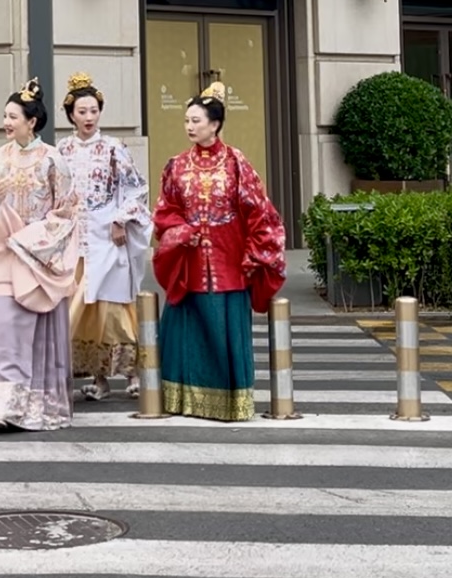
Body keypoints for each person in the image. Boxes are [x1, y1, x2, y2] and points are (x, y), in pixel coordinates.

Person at [152, 82, 286, 423]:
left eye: (196, 120)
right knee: (187, 332)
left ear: (215, 124)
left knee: (224, 331)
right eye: (187, 120)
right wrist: (181, 232)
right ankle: (182, 399)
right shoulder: (177, 165)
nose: (189, 126)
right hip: (189, 262)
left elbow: (260, 211)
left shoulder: (236, 163)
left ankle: (230, 404)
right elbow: (166, 210)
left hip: (229, 262)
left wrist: (255, 254)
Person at [0, 77, 79, 432]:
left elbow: (67, 212)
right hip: (4, 256)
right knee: (2, 330)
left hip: (37, 257)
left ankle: (34, 407)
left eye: (13, 117)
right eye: (5, 116)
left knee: (36, 335)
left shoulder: (53, 160)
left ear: (32, 121)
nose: (6, 123)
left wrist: (33, 240)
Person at [57, 71, 151, 400]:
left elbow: (136, 189)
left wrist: (121, 220)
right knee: (82, 309)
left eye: (94, 111)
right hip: (75, 239)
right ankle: (98, 379)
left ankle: (132, 373)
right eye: (82, 111)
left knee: (114, 306)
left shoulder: (113, 148)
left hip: (107, 237)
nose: (89, 117)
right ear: (71, 114)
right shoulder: (62, 150)